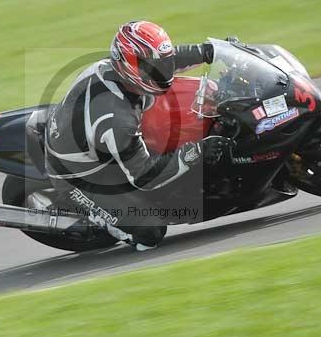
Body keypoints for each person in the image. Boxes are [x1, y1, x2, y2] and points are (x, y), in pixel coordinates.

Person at [44, 20, 233, 250]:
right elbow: (144, 175)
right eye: (153, 67)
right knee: (150, 232)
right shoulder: (118, 119)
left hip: (93, 140)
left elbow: (165, 59)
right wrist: (195, 151)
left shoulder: (122, 70)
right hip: (83, 176)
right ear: (130, 66)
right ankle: (91, 214)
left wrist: (210, 51)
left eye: (162, 64)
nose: (163, 70)